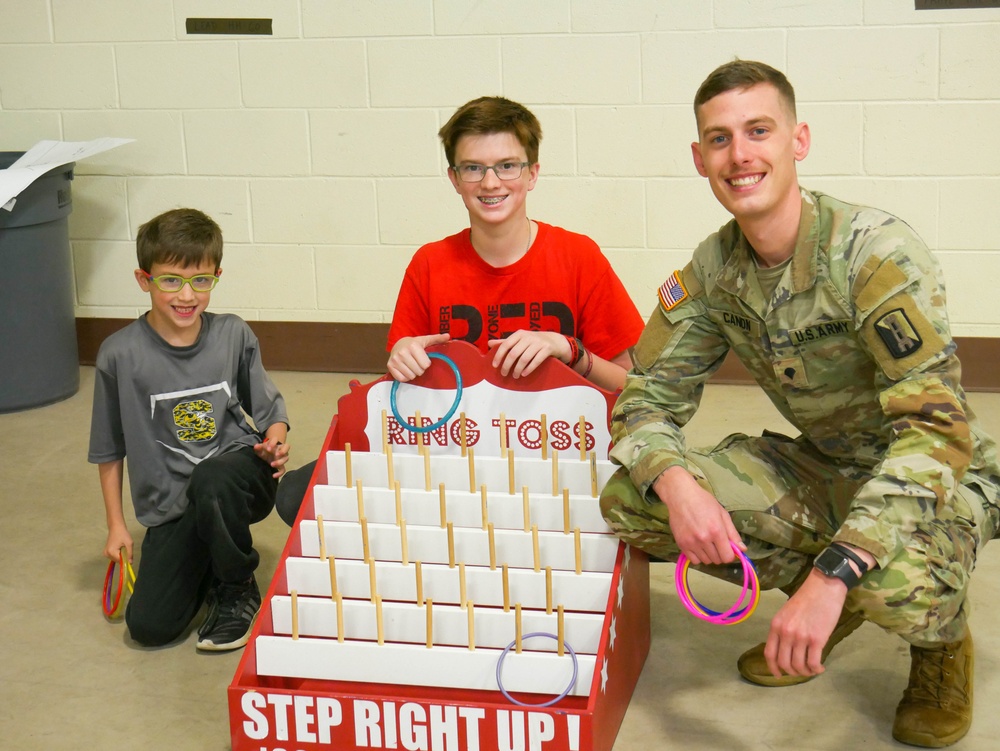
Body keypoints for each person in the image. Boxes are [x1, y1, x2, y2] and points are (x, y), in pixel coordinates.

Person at [599, 60, 1000, 748]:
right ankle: (828, 602)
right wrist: (676, 482)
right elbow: (645, 398)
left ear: (798, 140)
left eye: (759, 130)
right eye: (719, 139)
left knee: (884, 579)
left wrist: (837, 571)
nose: (740, 154)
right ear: (700, 159)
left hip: (937, 477)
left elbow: (936, 434)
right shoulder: (711, 271)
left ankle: (940, 644)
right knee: (635, 502)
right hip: (829, 465)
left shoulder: (872, 252)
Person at [275, 96, 645, 526]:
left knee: (659, 501)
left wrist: (568, 349)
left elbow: (631, 389)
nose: (491, 182)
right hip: (453, 456)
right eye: (473, 168)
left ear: (533, 174)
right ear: (454, 178)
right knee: (299, 495)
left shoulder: (579, 257)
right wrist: (403, 360)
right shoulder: (429, 264)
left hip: (557, 456)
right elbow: (401, 394)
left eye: (508, 165)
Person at [89, 208, 290, 652]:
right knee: (149, 628)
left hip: (236, 479)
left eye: (201, 280)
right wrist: (116, 527)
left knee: (212, 479)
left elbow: (271, 411)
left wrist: (274, 442)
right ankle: (209, 560)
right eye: (171, 280)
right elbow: (108, 448)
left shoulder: (232, 333)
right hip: (174, 507)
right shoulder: (118, 355)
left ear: (216, 276)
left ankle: (237, 587)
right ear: (144, 279)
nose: (187, 294)